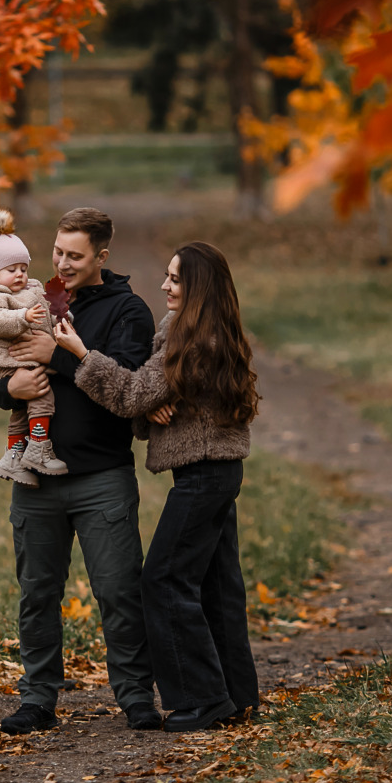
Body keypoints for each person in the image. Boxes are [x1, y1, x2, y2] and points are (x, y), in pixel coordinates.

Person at [51, 241, 261, 732]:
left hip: (205, 473)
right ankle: (235, 695)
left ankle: (201, 700)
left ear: (199, 288)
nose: (165, 286)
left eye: (175, 279)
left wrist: (81, 353)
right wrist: (149, 406)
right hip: (213, 470)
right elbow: (148, 400)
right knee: (217, 584)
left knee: (164, 580)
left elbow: (130, 394)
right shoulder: (199, 331)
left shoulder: (193, 340)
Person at [0, 207, 162, 735]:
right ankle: (37, 698)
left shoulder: (128, 311)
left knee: (118, 591)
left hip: (102, 477)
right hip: (35, 479)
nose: (61, 263)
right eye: (57, 251)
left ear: (102, 256)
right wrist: (4, 390)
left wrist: (58, 357)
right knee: (37, 594)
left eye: (74, 256)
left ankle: (135, 697)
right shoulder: (37, 294)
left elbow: (129, 387)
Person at [0, 209, 68, 484]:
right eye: (11, 270)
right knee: (41, 397)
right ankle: (38, 447)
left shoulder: (31, 290)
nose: (19, 275)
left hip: (21, 363)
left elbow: (46, 313)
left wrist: (60, 317)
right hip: (8, 363)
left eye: (23, 269)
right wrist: (22, 318)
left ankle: (13, 455)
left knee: (20, 411)